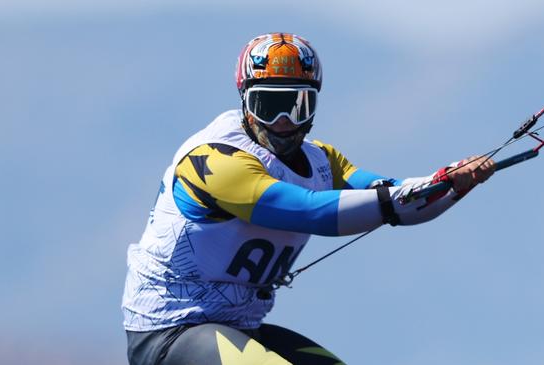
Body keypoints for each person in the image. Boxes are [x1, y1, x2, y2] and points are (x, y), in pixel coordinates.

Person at [122, 32, 495, 365]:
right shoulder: (214, 160)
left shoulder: (321, 160)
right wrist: (421, 190)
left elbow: (397, 197)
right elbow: (310, 212)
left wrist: (451, 181)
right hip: (171, 330)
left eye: (297, 106)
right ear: (245, 104)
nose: (283, 121)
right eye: (268, 106)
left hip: (239, 326)